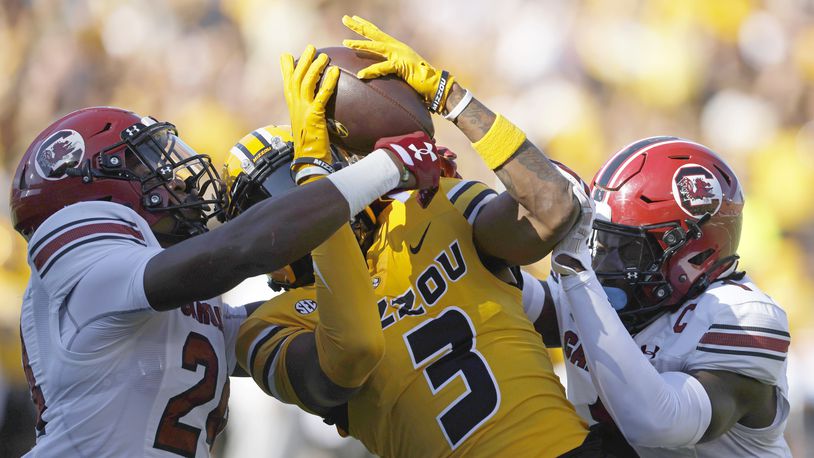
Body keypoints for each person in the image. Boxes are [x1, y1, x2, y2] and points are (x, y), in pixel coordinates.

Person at [11, 50, 439, 456]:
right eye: (145, 165)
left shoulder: (182, 304)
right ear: (96, 185)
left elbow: (330, 370)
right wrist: (384, 167)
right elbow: (237, 250)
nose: (177, 182)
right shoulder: (71, 241)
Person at [232, 22, 623, 457]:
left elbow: (551, 206)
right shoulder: (269, 326)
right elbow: (353, 351)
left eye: (309, 171)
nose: (305, 194)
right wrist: (313, 179)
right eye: (283, 198)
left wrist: (451, 97)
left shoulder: (431, 206)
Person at [522, 137, 791, 456]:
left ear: (692, 251)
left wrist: (576, 273)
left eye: (627, 249)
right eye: (601, 242)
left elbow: (657, 422)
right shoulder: (596, 291)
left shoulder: (744, 316)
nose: (603, 262)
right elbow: (504, 294)